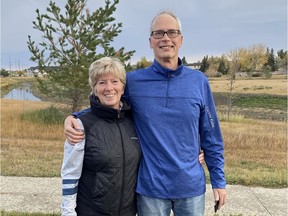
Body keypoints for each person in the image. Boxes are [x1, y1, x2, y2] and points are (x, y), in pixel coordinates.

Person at [64, 10, 227, 216]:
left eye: (172, 32)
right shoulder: (134, 82)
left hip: (190, 188)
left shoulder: (199, 81)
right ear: (150, 41)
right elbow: (110, 102)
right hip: (150, 189)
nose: (165, 38)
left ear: (181, 39)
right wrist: (75, 117)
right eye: (158, 33)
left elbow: (211, 136)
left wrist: (219, 181)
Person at [61, 57, 142, 216]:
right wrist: (68, 212)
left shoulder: (135, 120)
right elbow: (70, 173)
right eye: (102, 82)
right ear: (94, 88)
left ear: (123, 88)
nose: (109, 88)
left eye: (115, 81)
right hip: (92, 211)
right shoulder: (80, 125)